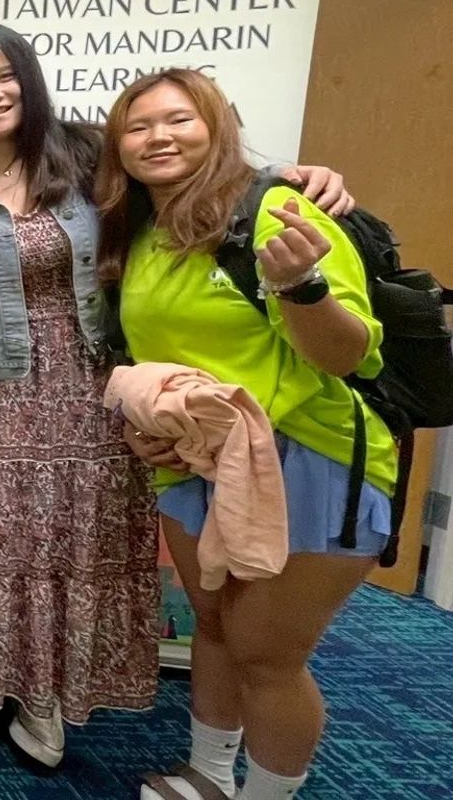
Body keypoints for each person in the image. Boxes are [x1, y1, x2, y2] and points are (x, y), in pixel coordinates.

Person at [0, 25, 353, 768]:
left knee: (75, 547)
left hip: (97, 386)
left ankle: (45, 689)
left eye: (3, 76)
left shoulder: (84, 158)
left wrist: (289, 175)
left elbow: (195, 177)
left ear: (28, 81)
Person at [97, 69, 391, 800]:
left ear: (216, 125)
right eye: (137, 127)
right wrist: (148, 431)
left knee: (267, 653)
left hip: (309, 459)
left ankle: (264, 792)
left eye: (177, 120)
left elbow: (347, 355)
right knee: (215, 626)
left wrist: (301, 287)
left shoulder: (275, 209)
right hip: (195, 460)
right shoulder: (138, 234)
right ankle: (206, 774)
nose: (157, 137)